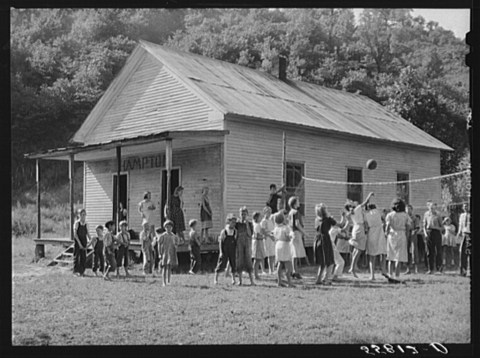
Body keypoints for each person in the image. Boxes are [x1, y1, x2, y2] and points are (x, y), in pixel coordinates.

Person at [348, 192, 375, 278]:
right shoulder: (358, 208)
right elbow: (365, 202)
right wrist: (369, 195)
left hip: (355, 228)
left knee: (357, 249)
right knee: (359, 249)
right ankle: (353, 267)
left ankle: (352, 266)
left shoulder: (352, 212)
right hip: (359, 229)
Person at [386, 198, 412, 278]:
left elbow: (387, 226)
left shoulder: (390, 215)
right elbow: (408, 227)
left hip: (392, 234)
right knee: (398, 256)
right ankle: (397, 275)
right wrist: (407, 236)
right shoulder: (405, 215)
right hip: (401, 234)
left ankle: (390, 274)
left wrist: (386, 234)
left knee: (391, 256)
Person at [313, 203, 336, 285]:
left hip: (317, 239)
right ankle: (326, 279)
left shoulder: (317, 219)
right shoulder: (328, 219)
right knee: (330, 261)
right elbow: (337, 224)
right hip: (325, 240)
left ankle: (319, 279)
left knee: (322, 262)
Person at [365, 203, 387, 280]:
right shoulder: (378, 212)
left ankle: (372, 275)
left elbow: (366, 225)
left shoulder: (367, 215)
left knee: (372, 256)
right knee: (383, 253)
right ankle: (383, 270)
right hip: (380, 232)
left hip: (371, 233)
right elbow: (384, 219)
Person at [214, 214, 238, 285]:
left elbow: (235, 241)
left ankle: (233, 279)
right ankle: (216, 279)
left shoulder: (235, 231)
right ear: (229, 222)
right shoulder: (224, 231)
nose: (234, 224)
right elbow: (221, 242)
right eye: (232, 222)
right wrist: (221, 252)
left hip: (232, 250)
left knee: (233, 264)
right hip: (225, 250)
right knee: (221, 264)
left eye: (235, 222)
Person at [273, 211, 294, 287]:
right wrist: (291, 237)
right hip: (285, 244)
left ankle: (279, 281)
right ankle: (289, 282)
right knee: (288, 263)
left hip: (278, 244)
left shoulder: (276, 228)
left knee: (280, 262)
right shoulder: (286, 228)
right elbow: (288, 237)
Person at [288, 196, 307, 279]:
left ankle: (293, 270)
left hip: (292, 233)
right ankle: (295, 271)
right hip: (296, 233)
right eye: (298, 201)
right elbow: (297, 224)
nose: (299, 203)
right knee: (295, 253)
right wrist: (304, 232)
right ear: (295, 203)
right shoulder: (296, 212)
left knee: (294, 253)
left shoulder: (290, 212)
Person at [235, 207, 255, 286]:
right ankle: (240, 281)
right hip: (239, 243)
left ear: (247, 214)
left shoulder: (249, 223)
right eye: (241, 214)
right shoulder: (237, 224)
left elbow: (250, 234)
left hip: (247, 243)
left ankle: (252, 281)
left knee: (248, 260)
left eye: (244, 214)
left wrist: (246, 224)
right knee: (239, 260)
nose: (243, 215)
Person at [423, 200, 443, 274]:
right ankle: (430, 269)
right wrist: (425, 233)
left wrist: (436, 227)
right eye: (430, 208)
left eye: (433, 208)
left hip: (436, 232)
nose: (432, 209)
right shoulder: (426, 214)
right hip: (429, 233)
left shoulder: (438, 215)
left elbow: (442, 227)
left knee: (438, 251)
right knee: (429, 251)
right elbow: (424, 225)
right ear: (428, 207)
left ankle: (439, 268)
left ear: (435, 208)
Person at [157, 220, 179, 286]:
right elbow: (159, 244)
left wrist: (176, 246)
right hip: (164, 253)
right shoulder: (163, 236)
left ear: (172, 228)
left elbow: (176, 244)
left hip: (171, 252)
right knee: (164, 266)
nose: (168, 228)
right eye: (167, 227)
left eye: (169, 227)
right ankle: (164, 282)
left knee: (169, 266)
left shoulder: (174, 236)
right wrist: (159, 253)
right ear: (165, 228)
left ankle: (168, 280)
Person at [73, 209, 92, 277]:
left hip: (84, 240)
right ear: (79, 215)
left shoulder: (86, 224)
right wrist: (79, 243)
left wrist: (91, 241)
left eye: (84, 215)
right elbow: (75, 234)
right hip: (78, 240)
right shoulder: (77, 223)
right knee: (77, 256)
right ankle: (75, 271)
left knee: (83, 257)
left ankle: (82, 271)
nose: (83, 216)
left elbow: (88, 234)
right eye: (82, 215)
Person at [404, 205, 420, 274]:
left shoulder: (414, 218)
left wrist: (414, 231)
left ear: (412, 210)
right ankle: (408, 268)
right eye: (407, 209)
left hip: (413, 233)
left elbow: (417, 227)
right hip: (406, 234)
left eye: (409, 209)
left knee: (414, 250)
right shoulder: (404, 217)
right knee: (406, 251)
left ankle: (416, 268)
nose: (408, 210)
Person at [457, 203, 471, 276]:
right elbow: (460, 225)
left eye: (467, 206)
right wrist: (459, 232)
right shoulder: (462, 216)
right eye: (464, 206)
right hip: (464, 234)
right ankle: (463, 271)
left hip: (471, 234)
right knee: (462, 252)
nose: (466, 208)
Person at [261, 206, 276, 274]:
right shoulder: (264, 221)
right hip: (267, 238)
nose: (269, 213)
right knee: (268, 254)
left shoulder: (270, 220)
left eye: (270, 212)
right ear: (264, 213)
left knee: (272, 254)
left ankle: (272, 269)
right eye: (268, 212)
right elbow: (263, 231)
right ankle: (264, 269)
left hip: (272, 238)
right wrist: (270, 235)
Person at [252, 212, 266, 280]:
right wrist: (263, 235)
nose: (261, 218)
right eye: (260, 217)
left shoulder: (258, 225)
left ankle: (255, 274)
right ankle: (255, 274)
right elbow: (258, 234)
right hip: (258, 242)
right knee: (257, 259)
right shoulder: (257, 225)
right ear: (256, 218)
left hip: (259, 241)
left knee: (259, 258)